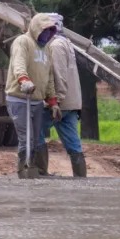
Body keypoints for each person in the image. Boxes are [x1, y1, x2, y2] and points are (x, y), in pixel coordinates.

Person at [5, 13, 61, 178]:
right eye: (44, 30)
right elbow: (18, 64)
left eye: (50, 31)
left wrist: (53, 101)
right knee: (26, 138)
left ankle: (36, 171)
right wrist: (24, 80)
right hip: (20, 98)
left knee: (36, 140)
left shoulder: (47, 48)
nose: (47, 33)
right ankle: (23, 171)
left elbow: (48, 76)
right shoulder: (23, 42)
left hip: (36, 100)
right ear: (36, 28)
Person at [42, 13, 86, 177]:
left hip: (60, 103)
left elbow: (58, 75)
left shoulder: (55, 46)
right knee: (73, 144)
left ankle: (39, 172)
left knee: (35, 131)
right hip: (72, 103)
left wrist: (55, 102)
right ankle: (80, 177)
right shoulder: (66, 43)